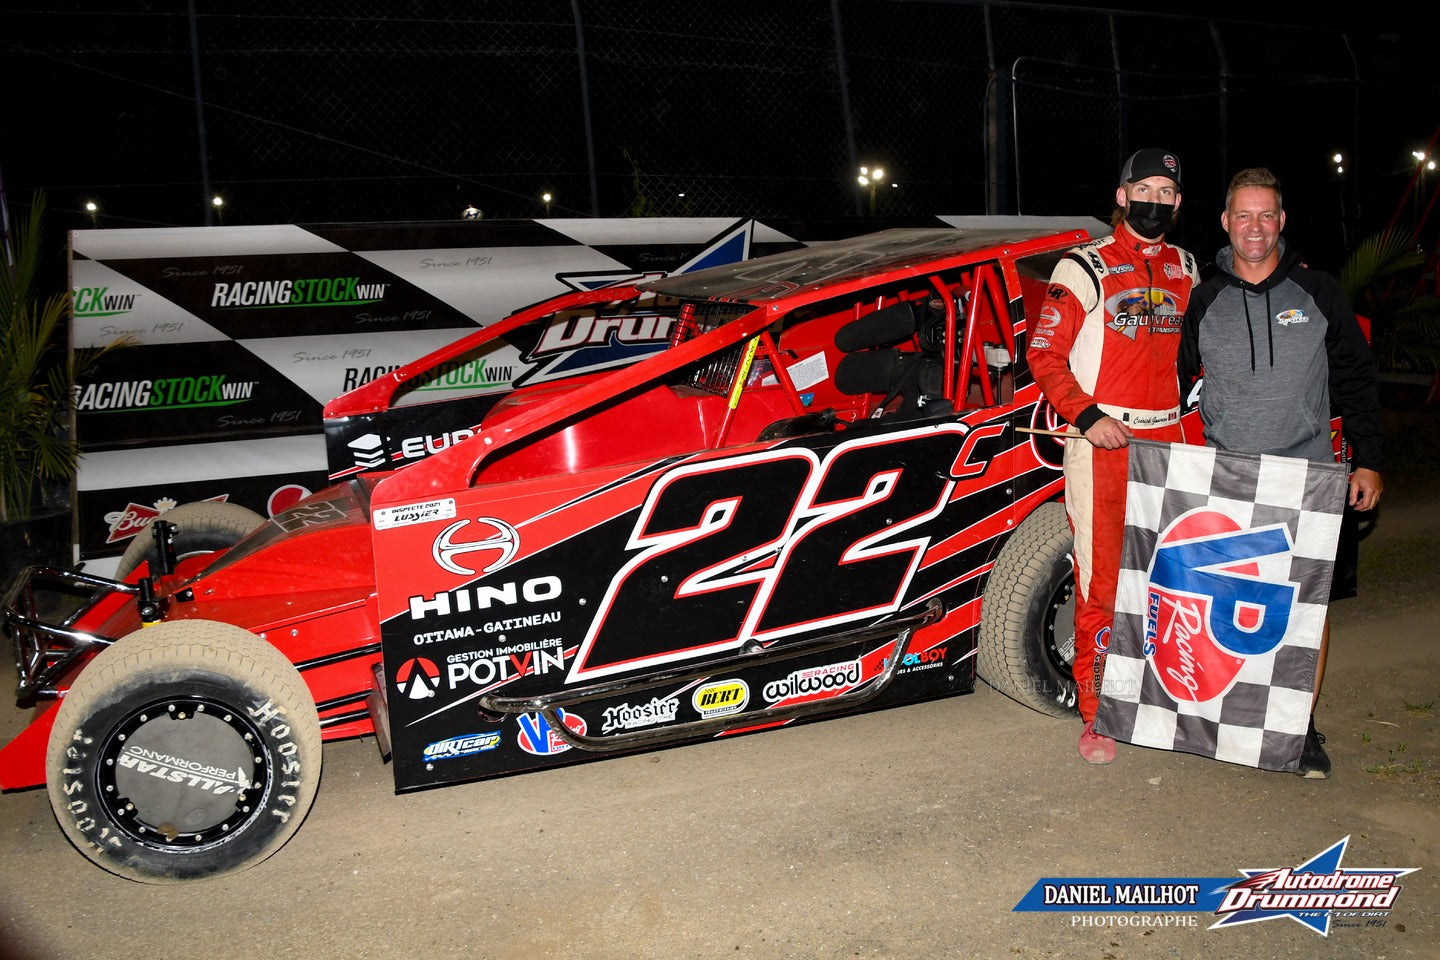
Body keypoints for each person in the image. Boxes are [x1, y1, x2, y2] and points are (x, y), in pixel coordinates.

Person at [1178, 166, 1382, 779]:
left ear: (1282, 221)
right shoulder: (1204, 299)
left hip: (1310, 477)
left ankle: (1299, 728)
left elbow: (1356, 381)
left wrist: (1368, 458)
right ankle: (1229, 720)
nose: (1256, 227)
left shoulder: (1319, 291)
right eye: (1244, 215)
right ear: (1225, 222)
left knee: (1304, 613)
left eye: (1267, 214)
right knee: (1231, 609)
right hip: (1231, 481)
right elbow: (1184, 388)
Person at [1027, 149, 1199, 764]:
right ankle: (1098, 714)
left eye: (1166, 191)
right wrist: (1088, 415)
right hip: (1105, 443)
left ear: (1177, 204)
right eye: (1143, 188)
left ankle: (1160, 696)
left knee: (1169, 578)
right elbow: (1043, 354)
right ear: (1123, 195)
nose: (1155, 199)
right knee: (1102, 581)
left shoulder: (1186, 267)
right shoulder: (1084, 266)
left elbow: (1198, 357)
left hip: (1173, 440)